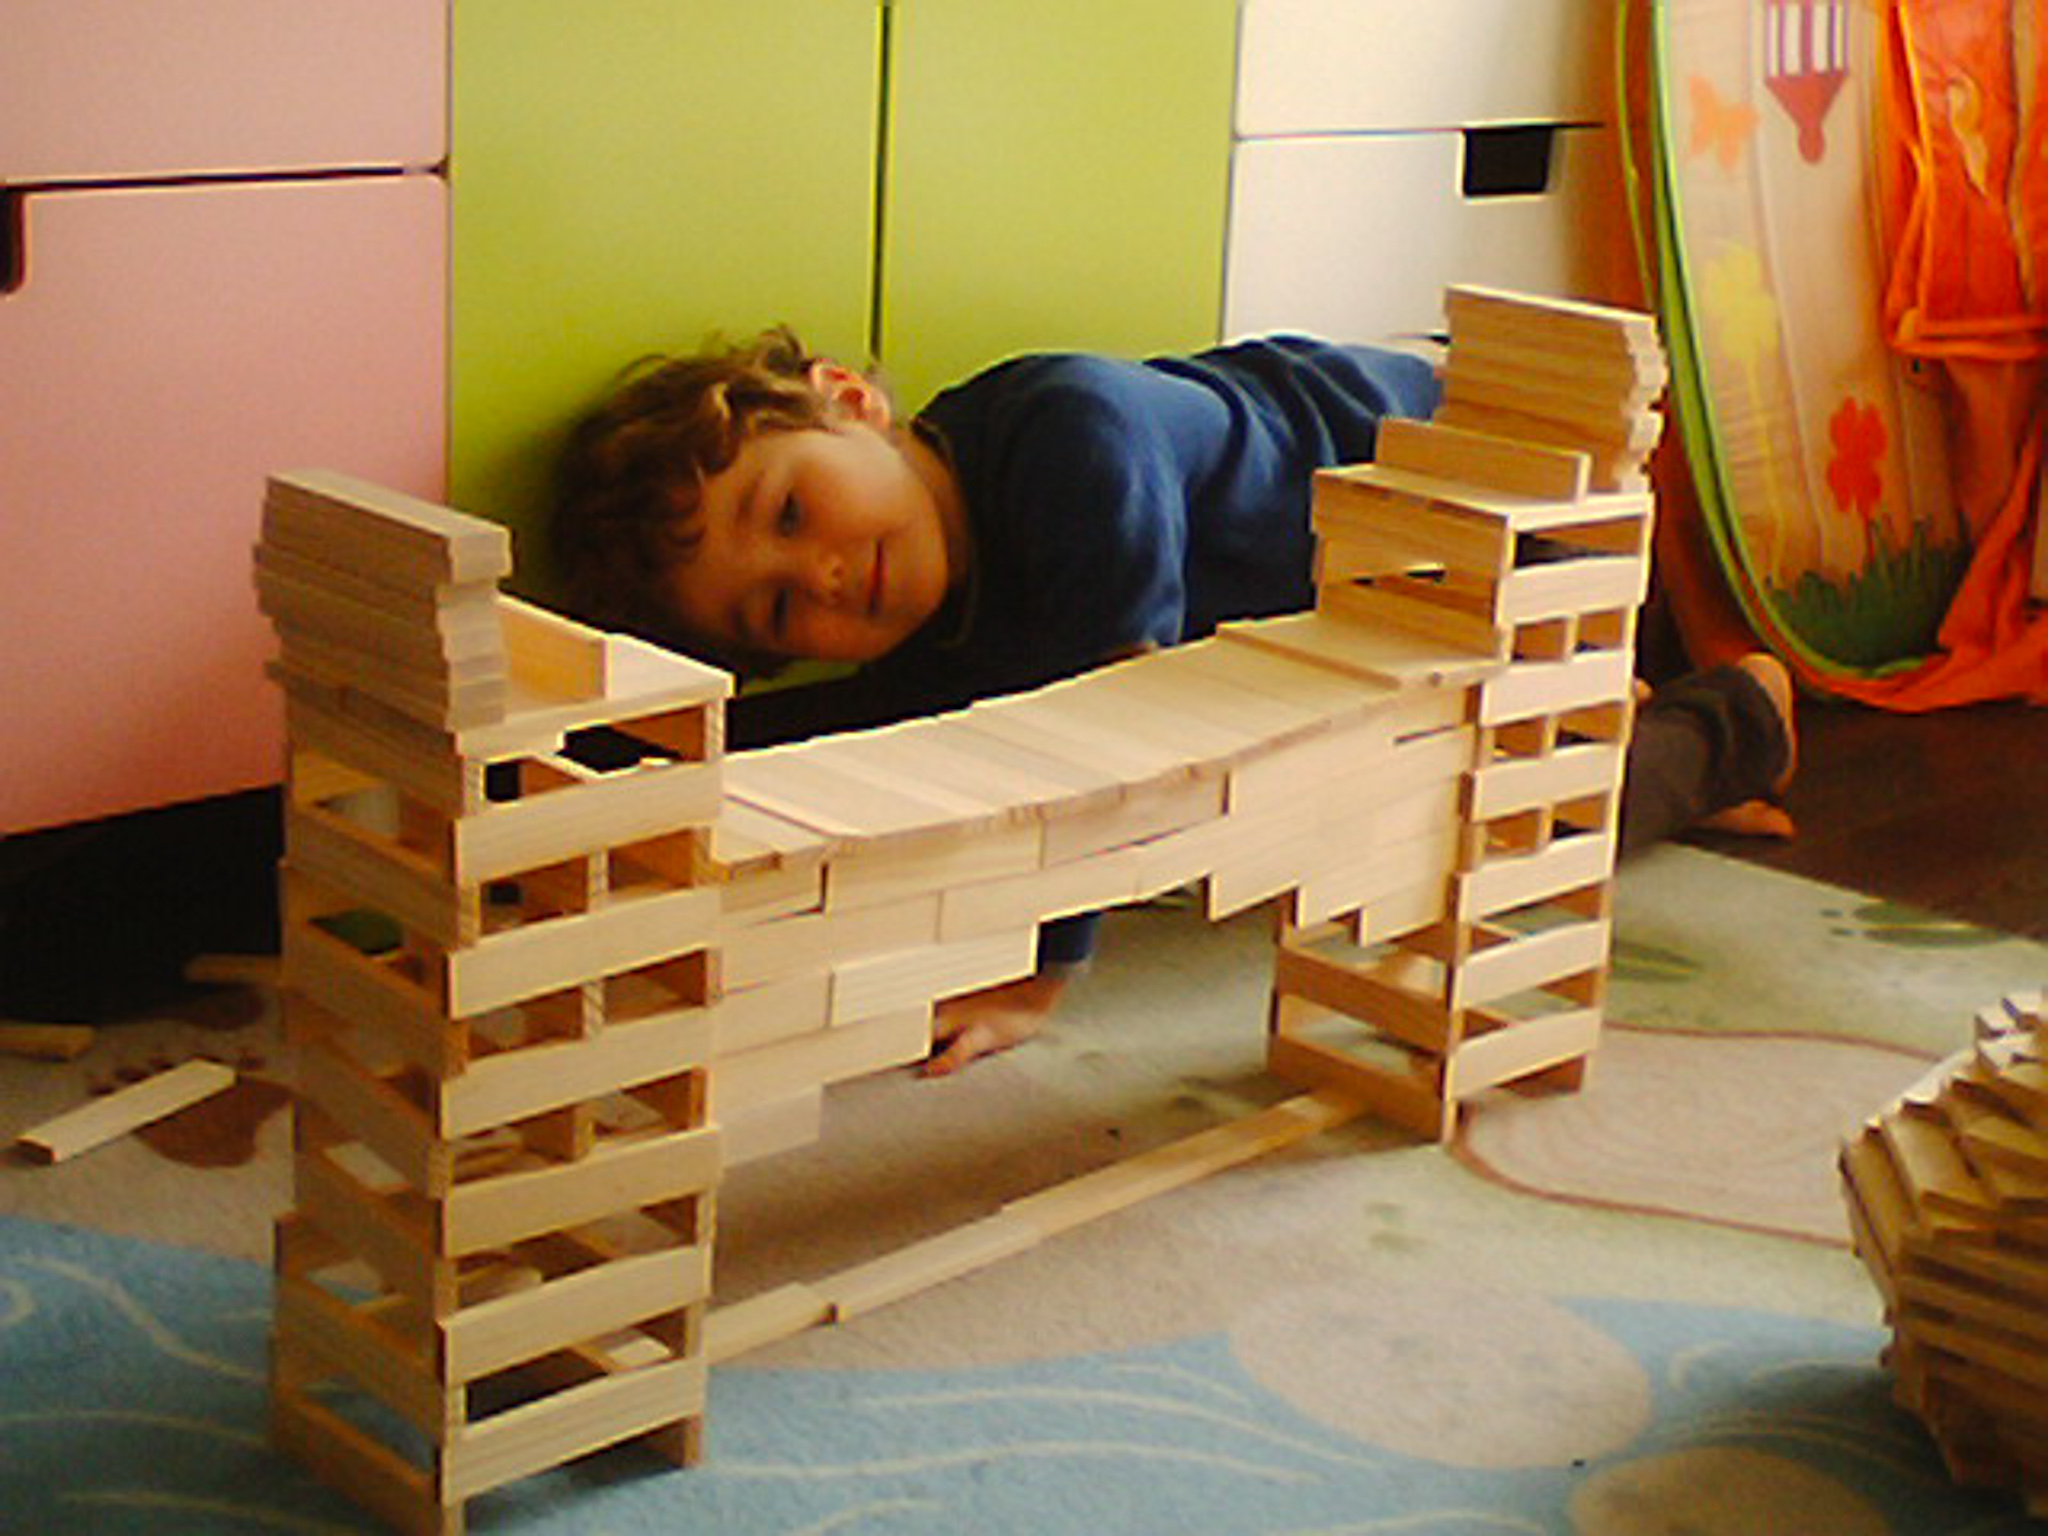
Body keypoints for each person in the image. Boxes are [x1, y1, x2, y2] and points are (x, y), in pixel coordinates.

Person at [553, 327, 1796, 1073]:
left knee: (1492, 840)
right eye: (778, 611)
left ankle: (1735, 718)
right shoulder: (935, 626)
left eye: (789, 511)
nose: (822, 574)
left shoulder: (1067, 435)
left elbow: (1113, 733)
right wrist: (558, 772)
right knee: (1464, 785)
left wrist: (1040, 969)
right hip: (1373, 654)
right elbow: (796, 741)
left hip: (1482, 500)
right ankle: (1606, 706)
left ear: (849, 401)